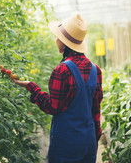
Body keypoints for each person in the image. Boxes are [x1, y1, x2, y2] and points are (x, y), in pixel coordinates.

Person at [12, 13, 103, 163]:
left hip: (67, 144)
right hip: (88, 141)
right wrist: (95, 137)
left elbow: (53, 107)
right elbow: (95, 109)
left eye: (57, 36)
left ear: (63, 43)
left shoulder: (62, 71)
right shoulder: (96, 70)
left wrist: (32, 88)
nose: (56, 39)